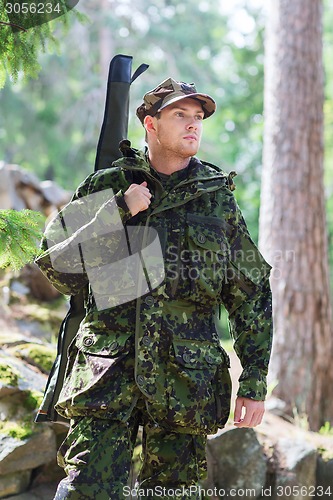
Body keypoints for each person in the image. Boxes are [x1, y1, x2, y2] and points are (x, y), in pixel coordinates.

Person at [36, 77, 273, 499]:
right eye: (180, 115)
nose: (192, 125)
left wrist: (253, 381)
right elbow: (59, 267)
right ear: (150, 124)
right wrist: (118, 210)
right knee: (85, 491)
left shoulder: (217, 199)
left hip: (186, 380)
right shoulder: (109, 184)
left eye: (198, 117)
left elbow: (250, 292)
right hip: (106, 375)